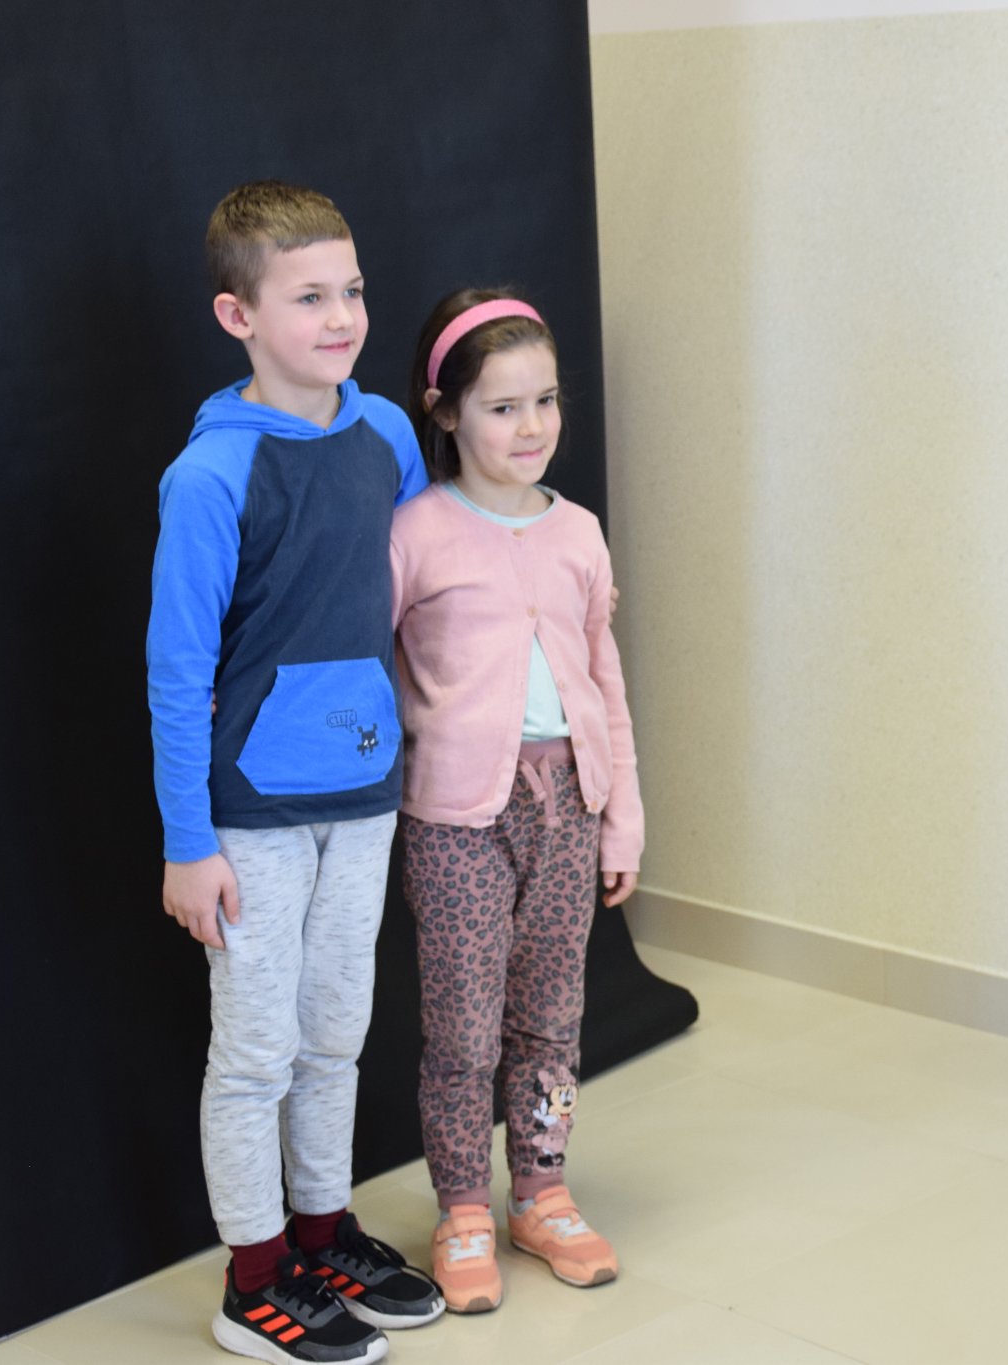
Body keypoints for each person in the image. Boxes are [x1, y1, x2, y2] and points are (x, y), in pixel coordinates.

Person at [148, 180, 442, 1363]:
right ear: (239, 316)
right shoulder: (210, 476)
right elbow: (177, 674)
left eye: (351, 290)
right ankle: (254, 1279)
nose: (341, 317)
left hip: (363, 796)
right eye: (308, 297)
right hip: (253, 817)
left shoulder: (386, 436)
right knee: (256, 1053)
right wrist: (188, 843)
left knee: (334, 1034)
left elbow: (425, 583)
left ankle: (321, 1235)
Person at [389, 288, 642, 1314]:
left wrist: (622, 817)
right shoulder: (415, 532)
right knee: (462, 1028)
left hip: (569, 807)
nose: (531, 426)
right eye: (502, 407)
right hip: (456, 820)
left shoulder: (578, 533)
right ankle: (461, 1206)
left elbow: (605, 679)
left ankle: (539, 1189)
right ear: (446, 411)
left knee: (551, 1017)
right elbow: (367, 662)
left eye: (545, 400)